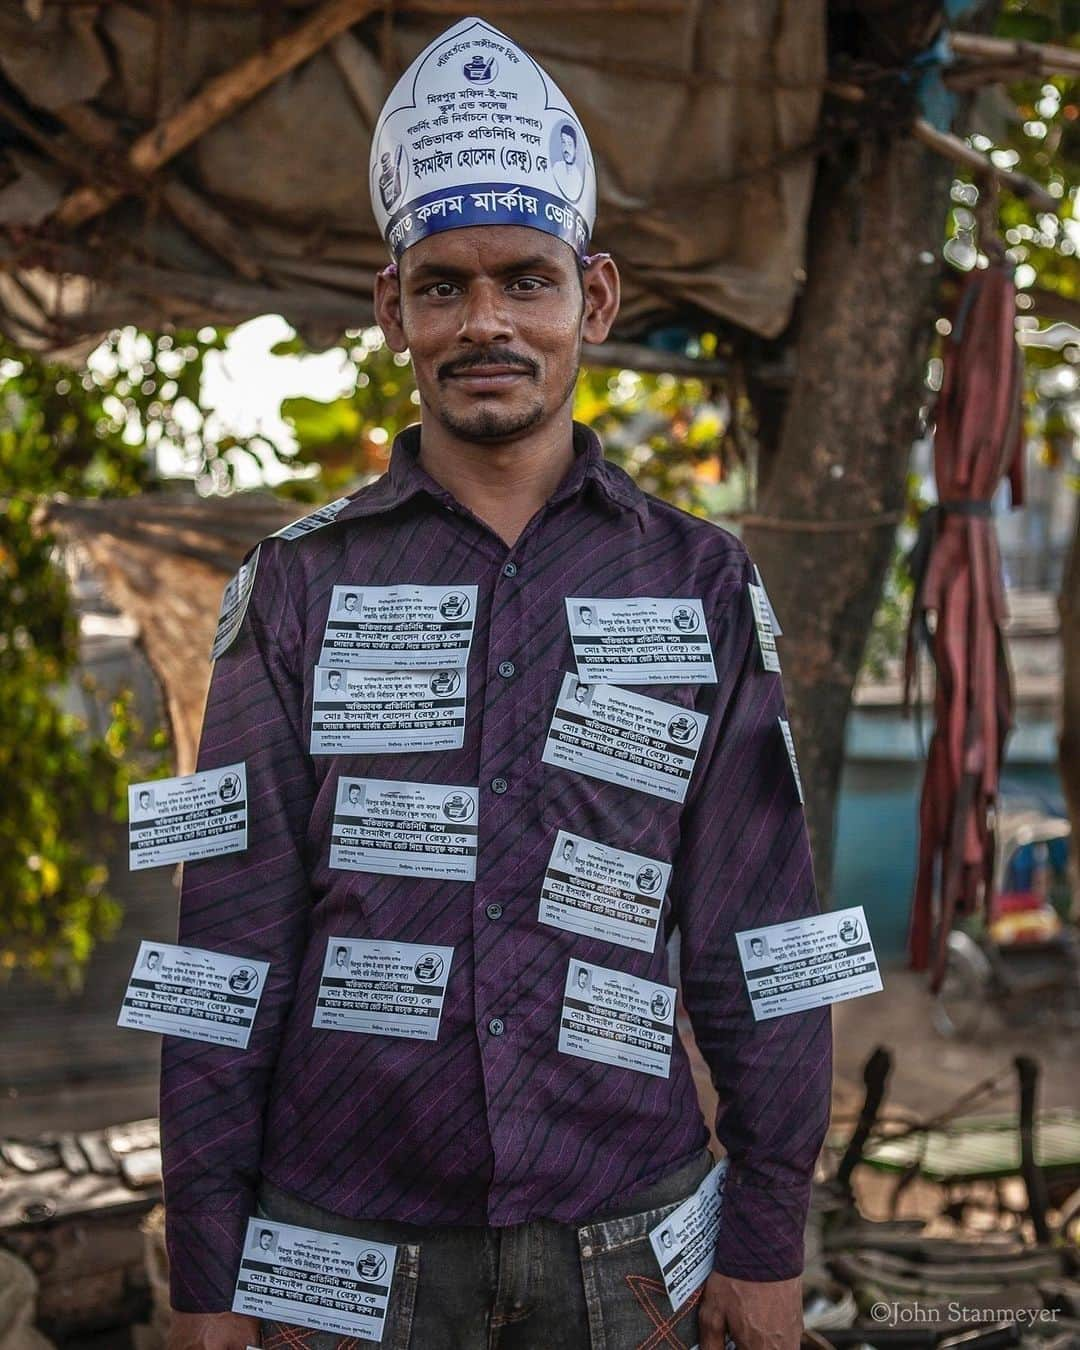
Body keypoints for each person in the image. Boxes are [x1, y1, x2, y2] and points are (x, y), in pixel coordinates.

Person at [162, 17, 829, 1350]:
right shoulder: (291, 591)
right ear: (391, 306)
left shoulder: (700, 582)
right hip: (342, 1259)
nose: (487, 322)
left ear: (595, 297)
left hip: (629, 1248)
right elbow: (218, 947)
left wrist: (767, 1231)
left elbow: (764, 937)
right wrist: (205, 1268)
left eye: (524, 280)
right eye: (447, 283)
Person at [552, 122, 585, 203]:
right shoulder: (557, 167)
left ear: (575, 148)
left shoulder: (579, 180)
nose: (566, 149)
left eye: (570, 144)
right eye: (563, 142)